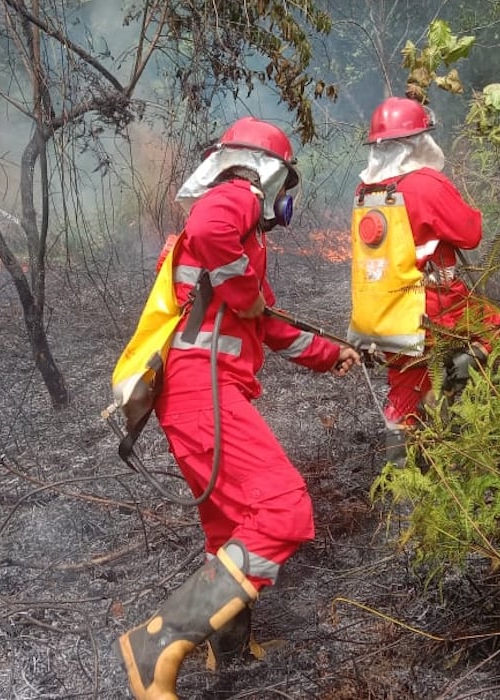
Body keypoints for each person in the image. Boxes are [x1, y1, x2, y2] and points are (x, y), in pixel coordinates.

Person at [117, 117, 361, 700]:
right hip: (203, 391)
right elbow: (213, 235)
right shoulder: (236, 198)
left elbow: (267, 324)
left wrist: (334, 355)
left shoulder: (243, 243)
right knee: (283, 511)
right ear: (270, 176)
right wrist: (244, 289)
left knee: (230, 527)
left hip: (198, 393)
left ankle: (231, 651)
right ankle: (156, 644)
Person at [346, 96, 500, 463]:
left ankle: (401, 478)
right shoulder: (425, 184)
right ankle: (455, 380)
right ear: (419, 141)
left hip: (383, 315)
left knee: (404, 391)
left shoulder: (364, 192)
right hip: (430, 307)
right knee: (494, 325)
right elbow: (471, 234)